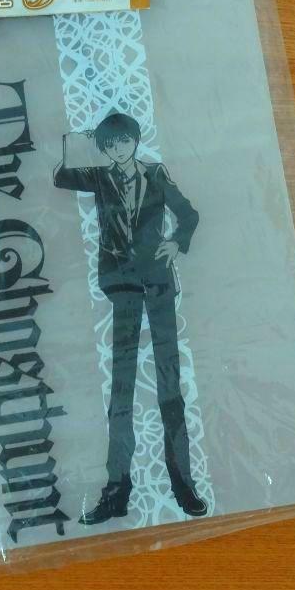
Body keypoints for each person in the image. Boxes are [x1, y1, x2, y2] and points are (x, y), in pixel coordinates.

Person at [54, 112, 206, 524]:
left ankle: (184, 485)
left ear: (135, 140)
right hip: (121, 284)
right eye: (109, 144)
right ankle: (116, 492)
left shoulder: (156, 173)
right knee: (121, 389)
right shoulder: (99, 176)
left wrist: (176, 243)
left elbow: (189, 214)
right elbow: (61, 177)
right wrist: (77, 138)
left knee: (169, 382)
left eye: (124, 141)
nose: (118, 149)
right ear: (103, 148)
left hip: (157, 282)